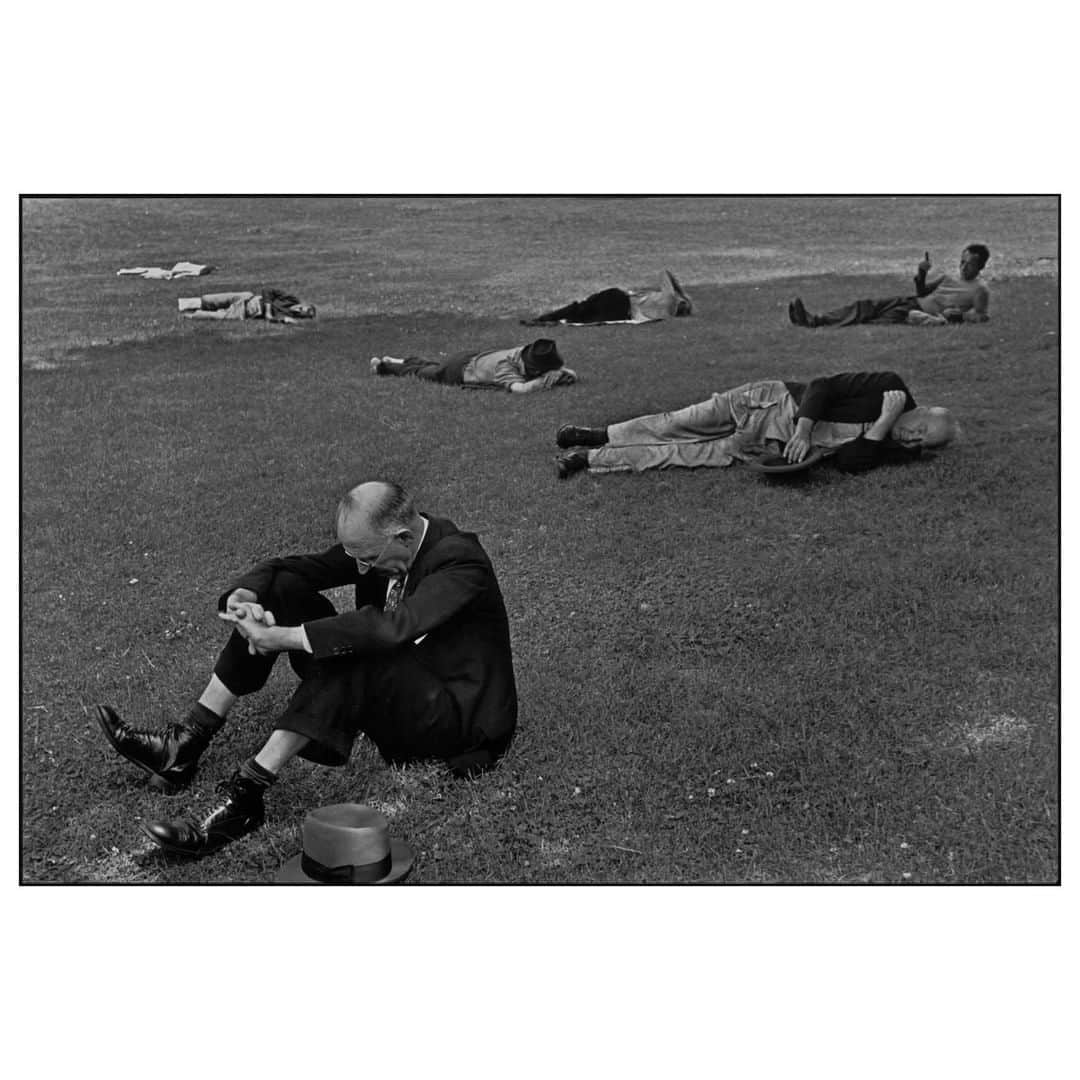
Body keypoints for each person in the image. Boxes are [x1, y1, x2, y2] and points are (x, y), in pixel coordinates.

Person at [95, 482, 517, 858]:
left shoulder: (461, 560)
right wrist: (247, 597)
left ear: (403, 537)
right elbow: (289, 568)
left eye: (368, 560)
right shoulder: (378, 548)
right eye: (356, 559)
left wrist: (289, 637)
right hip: (394, 691)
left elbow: (394, 630)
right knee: (284, 591)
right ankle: (186, 742)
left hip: (453, 720)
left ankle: (245, 796)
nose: (362, 569)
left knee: (359, 645)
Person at [554, 371, 957, 478]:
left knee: (682, 454)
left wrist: (884, 424)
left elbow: (850, 464)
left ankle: (589, 459)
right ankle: (602, 435)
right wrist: (802, 429)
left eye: (924, 442)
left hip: (768, 446)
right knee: (674, 423)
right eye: (921, 426)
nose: (915, 436)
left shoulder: (896, 444)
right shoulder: (890, 385)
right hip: (767, 399)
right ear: (923, 409)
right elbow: (822, 386)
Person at [789, 245, 990, 328]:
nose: (963, 267)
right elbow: (921, 291)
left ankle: (813, 322)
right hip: (911, 302)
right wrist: (922, 273)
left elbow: (981, 315)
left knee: (872, 320)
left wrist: (959, 316)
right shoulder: (950, 276)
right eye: (962, 262)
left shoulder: (980, 289)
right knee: (865, 306)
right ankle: (814, 319)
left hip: (918, 313)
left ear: (980, 266)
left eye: (969, 264)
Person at [369, 338, 576, 392]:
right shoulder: (506, 367)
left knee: (430, 366)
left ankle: (398, 359)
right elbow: (521, 389)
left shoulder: (525, 352)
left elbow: (570, 373)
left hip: (470, 358)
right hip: (458, 371)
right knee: (422, 372)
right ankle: (383, 367)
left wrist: (562, 374)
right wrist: (542, 381)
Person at [522, 269, 693, 325]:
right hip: (620, 314)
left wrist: (680, 292)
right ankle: (549, 320)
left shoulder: (670, 296)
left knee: (579, 308)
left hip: (619, 299)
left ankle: (545, 318)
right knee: (580, 316)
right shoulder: (667, 315)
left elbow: (665, 273)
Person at [178, 287, 317, 323]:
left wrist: (283, 320)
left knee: (219, 316)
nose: (298, 310)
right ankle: (183, 304)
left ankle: (190, 316)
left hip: (247, 311)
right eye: (301, 308)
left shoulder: (287, 315)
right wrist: (269, 311)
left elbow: (272, 319)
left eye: (301, 313)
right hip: (248, 297)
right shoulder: (291, 299)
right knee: (211, 299)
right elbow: (268, 290)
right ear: (303, 303)